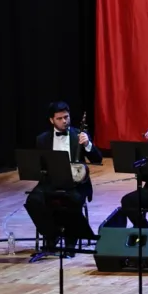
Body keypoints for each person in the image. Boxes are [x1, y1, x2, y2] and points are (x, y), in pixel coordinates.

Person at [25, 102, 101, 252]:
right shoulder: (42, 139)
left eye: (66, 117)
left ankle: (71, 240)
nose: (64, 121)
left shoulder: (79, 135)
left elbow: (97, 159)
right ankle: (52, 234)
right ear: (51, 120)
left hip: (76, 183)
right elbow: (40, 166)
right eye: (59, 118)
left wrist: (88, 144)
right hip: (50, 182)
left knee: (72, 200)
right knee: (33, 201)